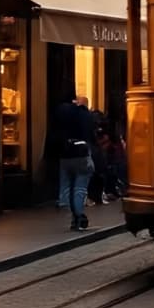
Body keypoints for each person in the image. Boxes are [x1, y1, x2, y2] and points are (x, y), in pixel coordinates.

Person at [54, 93, 96, 230]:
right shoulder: (83, 114)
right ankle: (79, 215)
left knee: (67, 185)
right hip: (81, 154)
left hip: (65, 155)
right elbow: (91, 134)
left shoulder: (59, 113)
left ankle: (72, 216)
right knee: (80, 185)